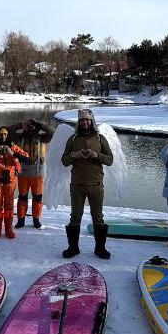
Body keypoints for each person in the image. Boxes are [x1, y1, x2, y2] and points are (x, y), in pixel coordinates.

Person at [61, 108, 113, 259]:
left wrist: (96, 155)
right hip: (77, 185)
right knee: (75, 217)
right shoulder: (72, 139)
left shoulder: (100, 138)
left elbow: (110, 160)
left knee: (98, 217)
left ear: (91, 121)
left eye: (87, 120)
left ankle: (100, 249)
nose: (84, 122)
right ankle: (73, 248)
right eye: (82, 120)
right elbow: (64, 161)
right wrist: (74, 155)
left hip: (96, 185)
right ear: (78, 122)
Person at [0, 126, 29, 240]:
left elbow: (27, 158)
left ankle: (9, 229)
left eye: (5, 134)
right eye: (1, 134)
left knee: (9, 206)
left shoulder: (13, 147)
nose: (3, 136)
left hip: (10, 181)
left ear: (8, 136)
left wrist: (13, 154)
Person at [11, 118, 55, 228]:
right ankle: (21, 219)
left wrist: (41, 124)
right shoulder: (19, 138)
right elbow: (6, 130)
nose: (31, 128)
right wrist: (21, 124)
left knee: (38, 198)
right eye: (28, 126)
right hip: (23, 174)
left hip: (37, 173)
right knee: (22, 198)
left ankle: (36, 219)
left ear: (37, 128)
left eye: (33, 126)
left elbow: (54, 133)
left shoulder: (42, 138)